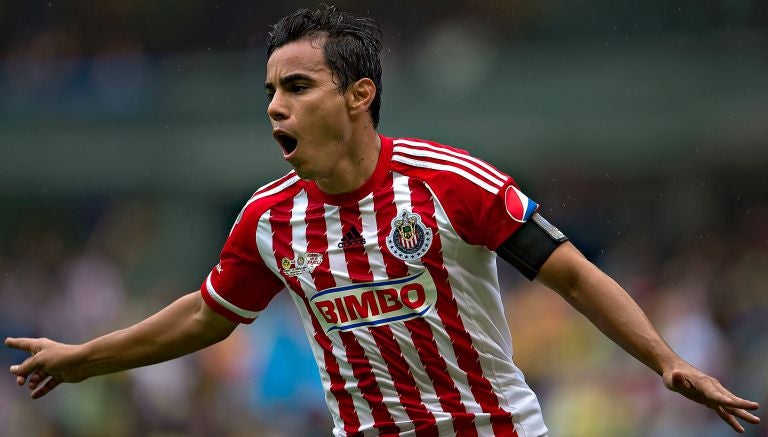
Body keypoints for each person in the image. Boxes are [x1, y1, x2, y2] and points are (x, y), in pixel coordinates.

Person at [5, 6, 761, 437]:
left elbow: (569, 271)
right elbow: (206, 315)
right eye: (270, 89)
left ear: (359, 94)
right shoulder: (268, 220)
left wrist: (665, 360)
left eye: (298, 86)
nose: (276, 105)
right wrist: (83, 357)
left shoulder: (450, 181)